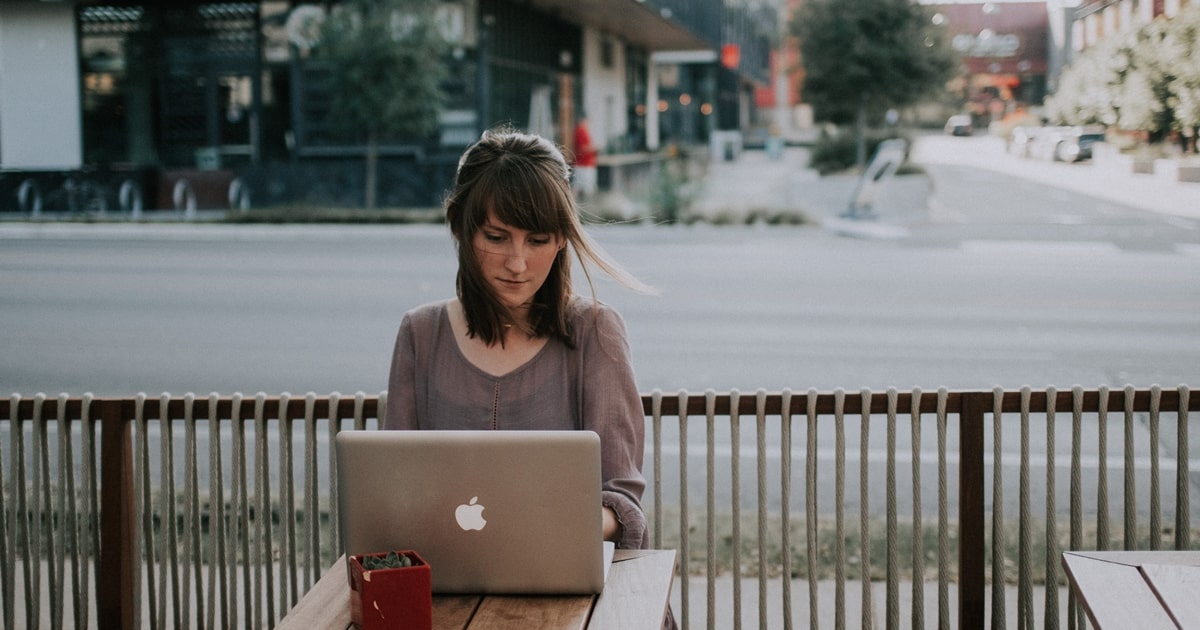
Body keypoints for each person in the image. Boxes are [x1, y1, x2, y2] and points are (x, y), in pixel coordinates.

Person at [384, 127, 655, 551]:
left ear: (562, 238)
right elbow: (394, 490)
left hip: (570, 590)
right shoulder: (420, 333)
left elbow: (621, 502)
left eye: (538, 240)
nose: (517, 262)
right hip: (449, 584)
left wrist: (541, 524)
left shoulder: (596, 331)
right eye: (496, 237)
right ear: (460, 227)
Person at [572, 115, 599, 200]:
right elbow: (583, 148)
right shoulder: (580, 131)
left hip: (586, 163)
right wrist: (595, 148)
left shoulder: (583, 131)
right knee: (582, 186)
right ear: (583, 121)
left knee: (579, 186)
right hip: (583, 164)